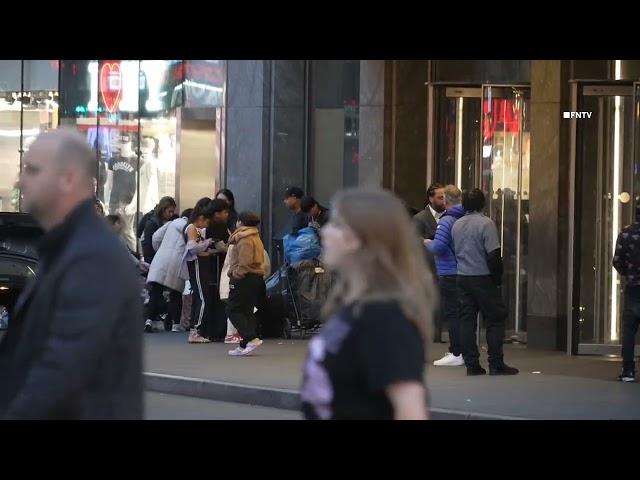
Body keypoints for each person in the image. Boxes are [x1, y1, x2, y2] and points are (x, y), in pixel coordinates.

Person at [0, 129, 142, 419]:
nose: (20, 181)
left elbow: (63, 368)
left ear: (68, 178)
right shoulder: (67, 247)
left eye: (32, 170)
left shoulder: (92, 256)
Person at [300, 187, 436, 420]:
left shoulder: (384, 317)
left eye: (335, 224)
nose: (325, 233)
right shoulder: (353, 307)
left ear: (357, 238)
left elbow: (410, 410)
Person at [451, 188, 518, 376]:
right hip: (482, 276)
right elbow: (494, 255)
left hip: (462, 276)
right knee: (495, 319)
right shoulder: (486, 224)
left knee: (467, 320)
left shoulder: (457, 225)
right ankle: (496, 363)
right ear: (483, 204)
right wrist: (497, 278)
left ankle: (471, 364)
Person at [426, 185, 465, 367]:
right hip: (464, 271)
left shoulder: (446, 220)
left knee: (452, 313)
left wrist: (427, 242)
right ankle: (464, 350)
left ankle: (456, 352)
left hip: (448, 271)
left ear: (447, 200)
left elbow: (438, 247)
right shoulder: (464, 217)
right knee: (463, 313)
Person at [145, 208, 194, 334]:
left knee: (155, 293)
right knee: (175, 294)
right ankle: (175, 324)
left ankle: (149, 321)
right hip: (177, 262)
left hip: (161, 259)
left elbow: (155, 237)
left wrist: (161, 249)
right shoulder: (190, 227)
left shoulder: (171, 223)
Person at [226, 211, 267, 356]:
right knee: (247, 311)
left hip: (245, 278)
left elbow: (244, 262)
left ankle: (251, 338)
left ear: (240, 222)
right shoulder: (255, 237)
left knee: (233, 309)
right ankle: (244, 344)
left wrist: (236, 275)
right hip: (255, 278)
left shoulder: (245, 239)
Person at [613, 203, 640, 382]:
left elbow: (617, 260)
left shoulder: (626, 233)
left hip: (633, 288)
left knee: (629, 330)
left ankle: (628, 370)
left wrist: (628, 274)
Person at [141, 196, 177, 265]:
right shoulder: (152, 223)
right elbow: (147, 246)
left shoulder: (172, 219)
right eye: (169, 211)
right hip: (154, 258)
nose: (171, 214)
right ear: (163, 210)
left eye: (173, 211)